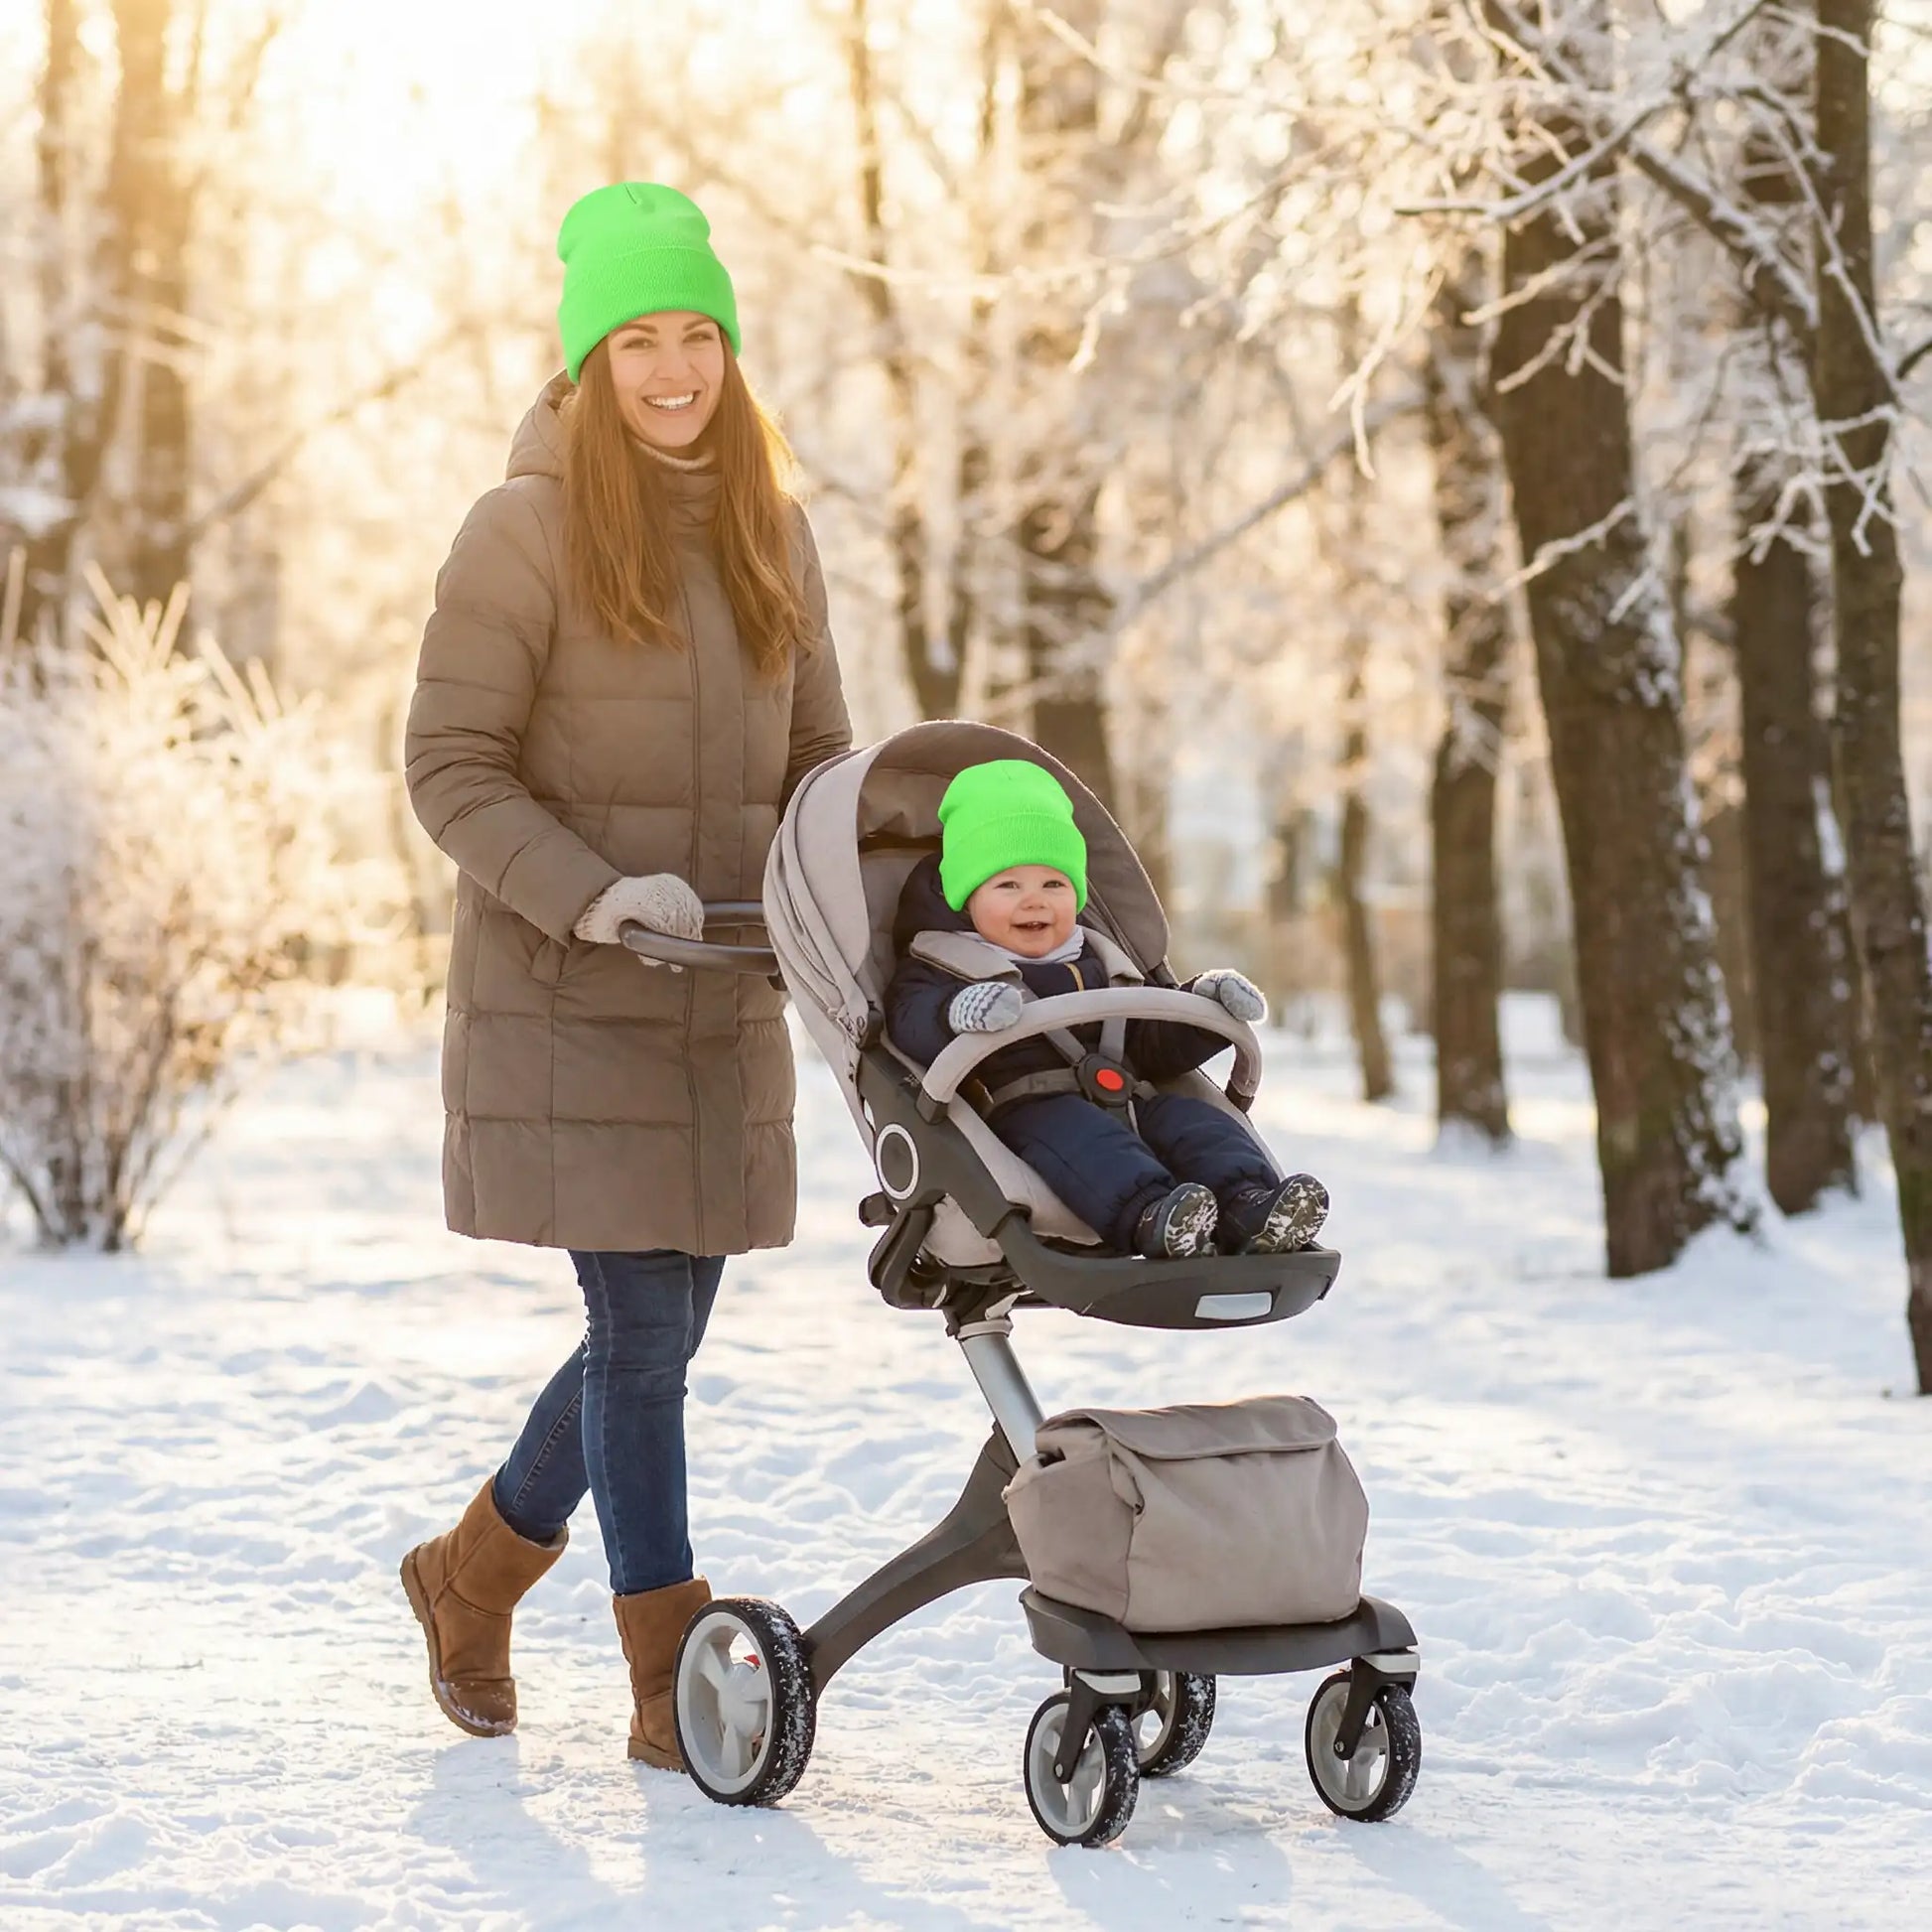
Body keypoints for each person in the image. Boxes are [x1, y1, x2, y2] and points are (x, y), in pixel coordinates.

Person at [397, 183, 850, 1771]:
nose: (673, 368)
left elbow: (821, 763)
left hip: (722, 1001)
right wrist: (592, 899)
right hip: (571, 994)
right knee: (646, 1337)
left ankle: (468, 1577)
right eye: (638, 339)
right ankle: (672, 1687)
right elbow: (449, 764)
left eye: (699, 334)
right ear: (586, 365)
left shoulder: (771, 528)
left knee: (647, 1335)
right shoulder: (519, 530)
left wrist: (861, 892)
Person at [887, 759, 1329, 1259]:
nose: (1034, 902)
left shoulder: (1096, 956)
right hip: (1027, 1111)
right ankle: (1152, 1216)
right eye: (1008, 886)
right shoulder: (946, 961)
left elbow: (1147, 1043)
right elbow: (907, 1022)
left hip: (1131, 1097)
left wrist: (1203, 1011)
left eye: (1054, 885)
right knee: (1088, 1143)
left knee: (1196, 1123)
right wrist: (955, 1012)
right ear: (967, 897)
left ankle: (1250, 1206)